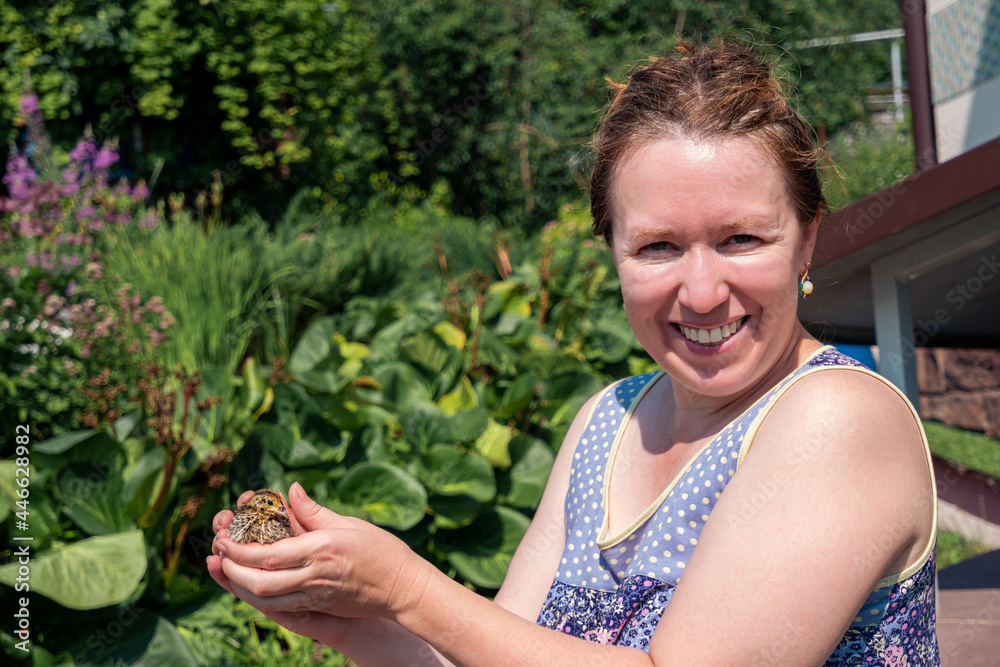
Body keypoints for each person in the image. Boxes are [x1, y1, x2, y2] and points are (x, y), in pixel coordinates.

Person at [208, 42, 939, 665]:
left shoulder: (835, 417)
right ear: (613, 253)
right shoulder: (608, 421)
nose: (703, 290)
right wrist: (355, 618)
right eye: (658, 246)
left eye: (740, 238)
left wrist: (408, 585)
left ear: (807, 238)